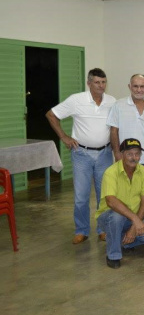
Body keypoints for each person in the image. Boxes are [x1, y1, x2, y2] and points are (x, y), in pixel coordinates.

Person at [46, 68, 116, 244]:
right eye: (97, 82)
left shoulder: (111, 101)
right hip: (81, 154)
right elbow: (51, 115)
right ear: (89, 83)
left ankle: (103, 229)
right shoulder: (76, 100)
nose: (101, 86)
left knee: (105, 195)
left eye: (104, 82)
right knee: (81, 196)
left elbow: (116, 127)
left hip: (105, 154)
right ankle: (82, 230)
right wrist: (63, 136)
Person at [95, 138, 144, 269]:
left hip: (132, 217)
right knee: (117, 217)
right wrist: (135, 220)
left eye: (137, 154)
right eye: (129, 154)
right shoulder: (111, 172)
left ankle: (122, 242)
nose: (133, 157)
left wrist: (134, 228)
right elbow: (111, 201)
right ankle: (113, 255)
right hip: (109, 216)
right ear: (121, 154)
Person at [107, 74, 144, 169]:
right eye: (135, 86)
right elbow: (113, 131)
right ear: (129, 86)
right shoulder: (119, 105)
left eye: (142, 86)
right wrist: (117, 153)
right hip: (125, 159)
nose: (139, 90)